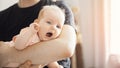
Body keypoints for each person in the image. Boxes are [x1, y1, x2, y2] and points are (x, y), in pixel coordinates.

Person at [0, 0, 76, 68]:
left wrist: (7, 55)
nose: (54, 28)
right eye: (49, 22)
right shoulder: (29, 32)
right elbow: (18, 45)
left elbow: (66, 48)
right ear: (36, 22)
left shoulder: (58, 8)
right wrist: (30, 32)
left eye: (58, 26)